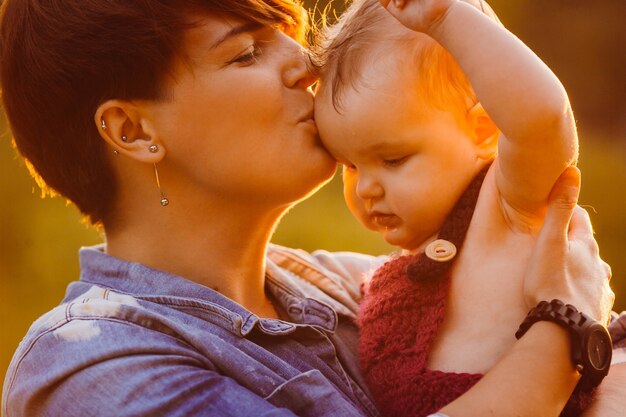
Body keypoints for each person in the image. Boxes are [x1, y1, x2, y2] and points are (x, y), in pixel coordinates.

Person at [0, 0, 620, 416]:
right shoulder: (92, 364)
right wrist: (561, 332)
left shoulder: (361, 289)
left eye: (288, 40)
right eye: (245, 54)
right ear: (132, 131)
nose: (303, 64)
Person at [313, 0, 622, 416]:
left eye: (392, 159)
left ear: (482, 131)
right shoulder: (402, 270)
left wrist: (445, 19)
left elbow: (543, 118)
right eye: (350, 165)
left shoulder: (507, 204)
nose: (366, 187)